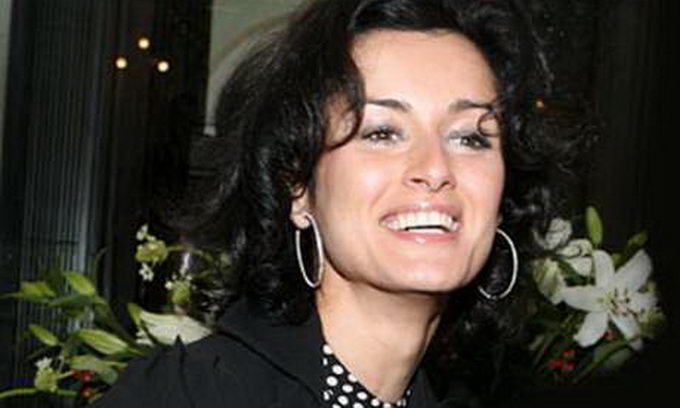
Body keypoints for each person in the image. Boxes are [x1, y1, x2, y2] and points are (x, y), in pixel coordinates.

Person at [93, 0, 575, 406]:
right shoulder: (189, 396)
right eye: (382, 133)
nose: (435, 169)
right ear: (297, 186)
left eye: (470, 138)